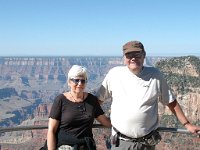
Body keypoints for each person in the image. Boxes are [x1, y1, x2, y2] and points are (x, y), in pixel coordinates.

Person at [95, 40, 200, 150]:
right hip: (121, 143)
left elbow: (171, 102)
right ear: (124, 57)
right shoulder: (114, 74)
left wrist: (187, 124)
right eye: (129, 54)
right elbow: (96, 102)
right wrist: (104, 121)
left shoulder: (155, 75)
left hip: (147, 143)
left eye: (137, 54)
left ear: (144, 55)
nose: (133, 58)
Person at [41, 65, 112, 150]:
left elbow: (105, 121)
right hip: (62, 146)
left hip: (84, 146)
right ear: (69, 82)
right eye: (76, 80)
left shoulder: (91, 100)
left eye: (83, 81)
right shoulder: (60, 100)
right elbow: (51, 130)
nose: (80, 84)